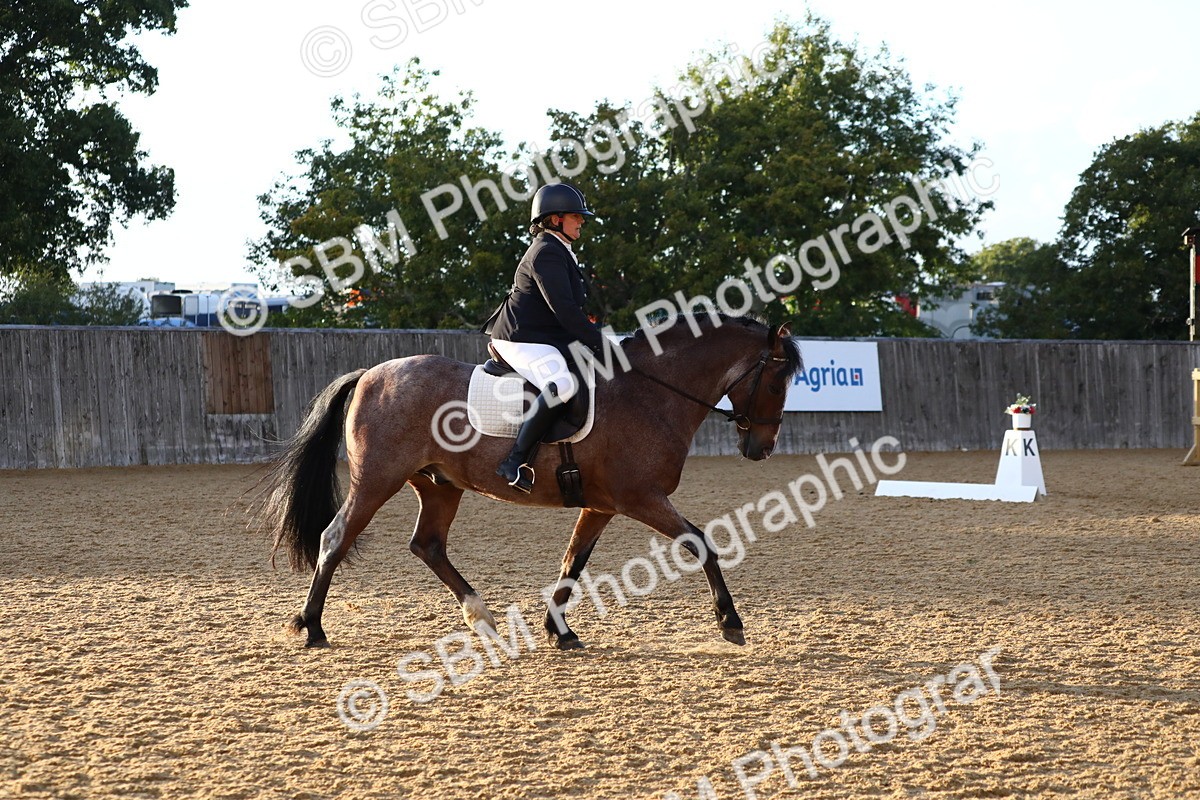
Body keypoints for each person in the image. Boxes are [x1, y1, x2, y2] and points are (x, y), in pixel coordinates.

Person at [485, 182, 605, 493]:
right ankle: (514, 461)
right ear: (555, 220)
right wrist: (595, 341)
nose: (582, 221)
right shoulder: (546, 253)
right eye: (576, 217)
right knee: (562, 384)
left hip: (543, 335)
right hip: (519, 338)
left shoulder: (561, 250)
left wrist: (596, 337)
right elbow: (564, 309)